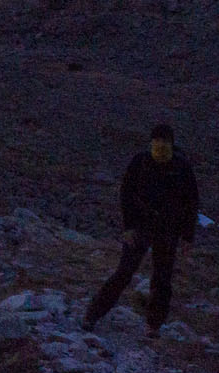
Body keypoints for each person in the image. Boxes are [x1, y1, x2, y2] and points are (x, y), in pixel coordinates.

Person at [82, 122, 200, 335]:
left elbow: (191, 203)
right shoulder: (141, 162)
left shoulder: (181, 166)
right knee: (124, 272)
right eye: (157, 141)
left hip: (168, 230)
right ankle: (93, 315)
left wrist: (187, 237)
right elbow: (127, 194)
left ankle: (153, 326)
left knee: (162, 278)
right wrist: (129, 227)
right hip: (141, 226)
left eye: (164, 142)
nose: (160, 146)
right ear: (151, 142)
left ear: (171, 144)